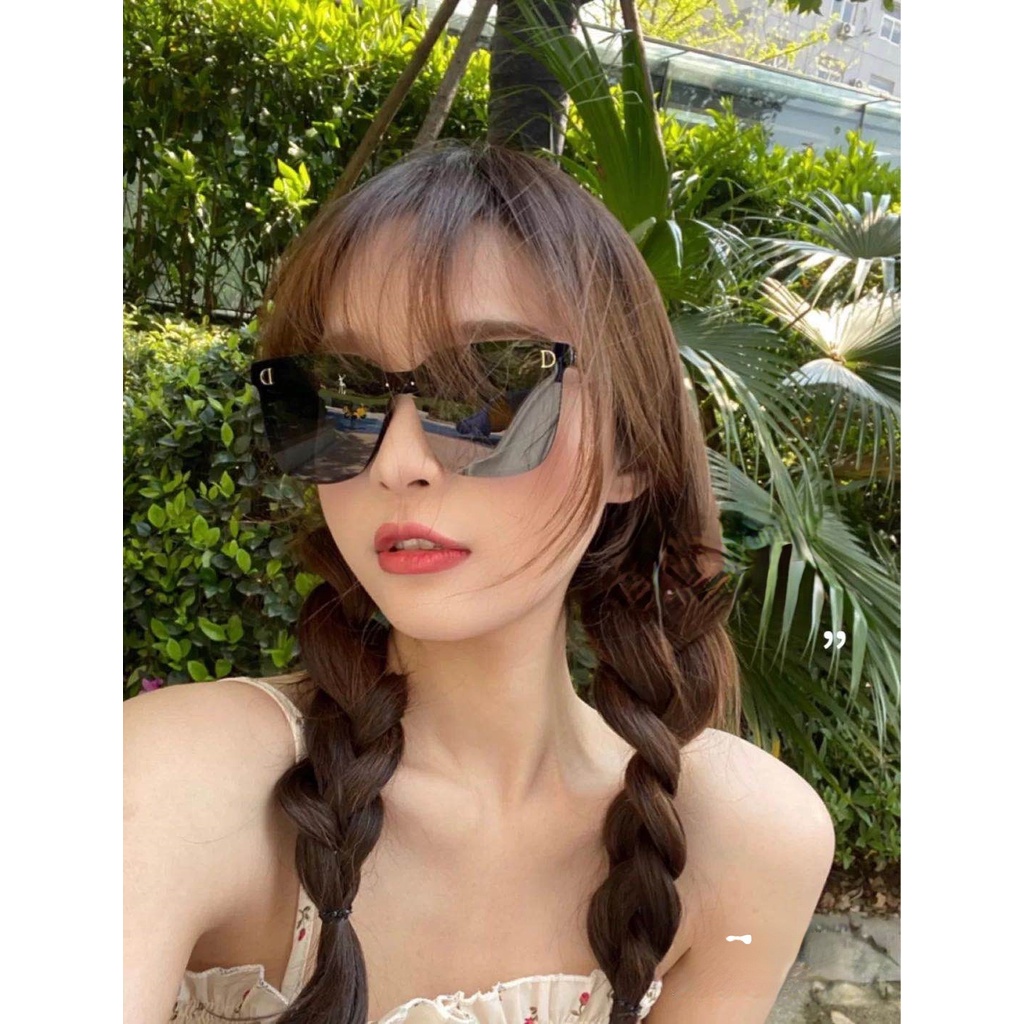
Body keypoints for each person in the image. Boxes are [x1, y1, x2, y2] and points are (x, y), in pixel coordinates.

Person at [124, 141, 835, 1024]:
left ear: (630, 451)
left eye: (488, 388)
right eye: (344, 393)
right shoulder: (180, 782)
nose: (399, 460)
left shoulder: (745, 839)